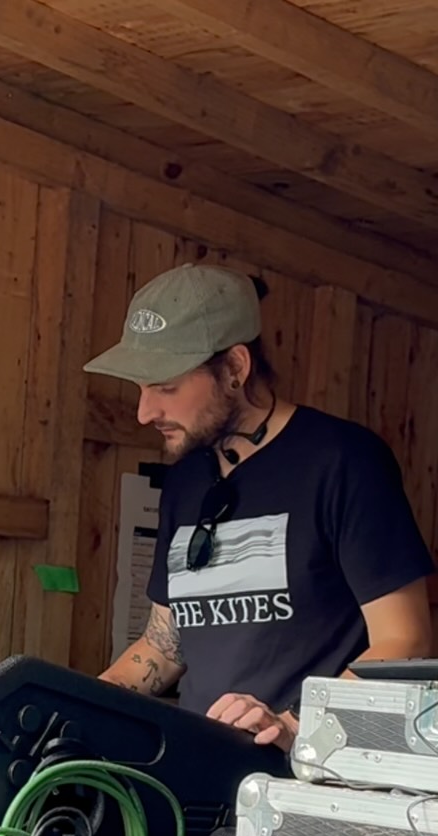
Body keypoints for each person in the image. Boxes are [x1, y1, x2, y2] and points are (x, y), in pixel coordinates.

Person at [83, 263, 434, 753]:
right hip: (198, 770)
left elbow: (406, 641)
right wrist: (77, 705)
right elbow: (165, 645)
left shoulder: (343, 461)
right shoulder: (185, 480)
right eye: (140, 388)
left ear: (235, 368)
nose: (145, 412)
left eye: (165, 387)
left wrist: (291, 726)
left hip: (308, 777)